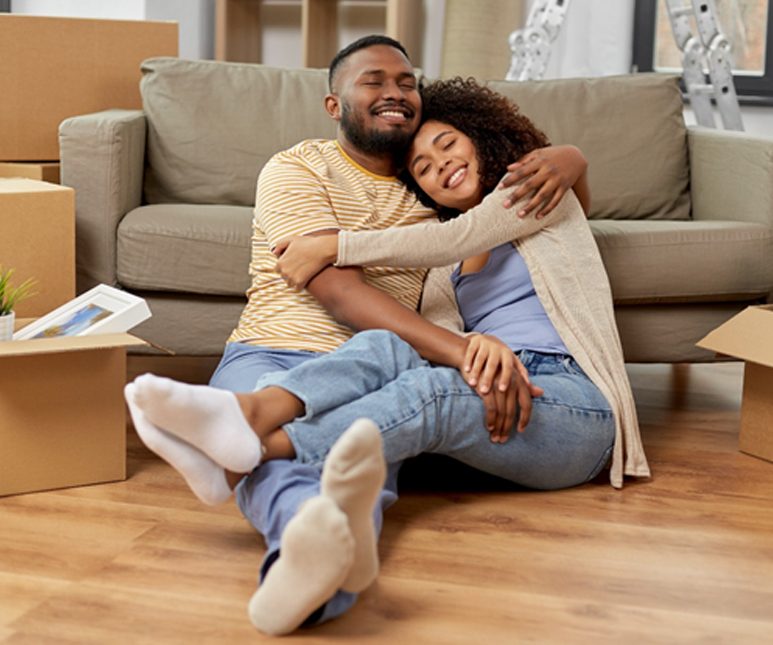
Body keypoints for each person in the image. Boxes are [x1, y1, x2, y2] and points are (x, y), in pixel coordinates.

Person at [126, 36, 592, 636]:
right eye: (374, 81)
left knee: (356, 473)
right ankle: (300, 560)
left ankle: (288, 535)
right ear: (334, 103)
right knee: (314, 470)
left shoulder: (435, 197)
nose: (395, 93)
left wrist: (570, 156)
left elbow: (488, 230)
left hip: (382, 365)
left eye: (407, 83)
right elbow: (336, 288)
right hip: (274, 348)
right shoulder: (297, 166)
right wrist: (463, 353)